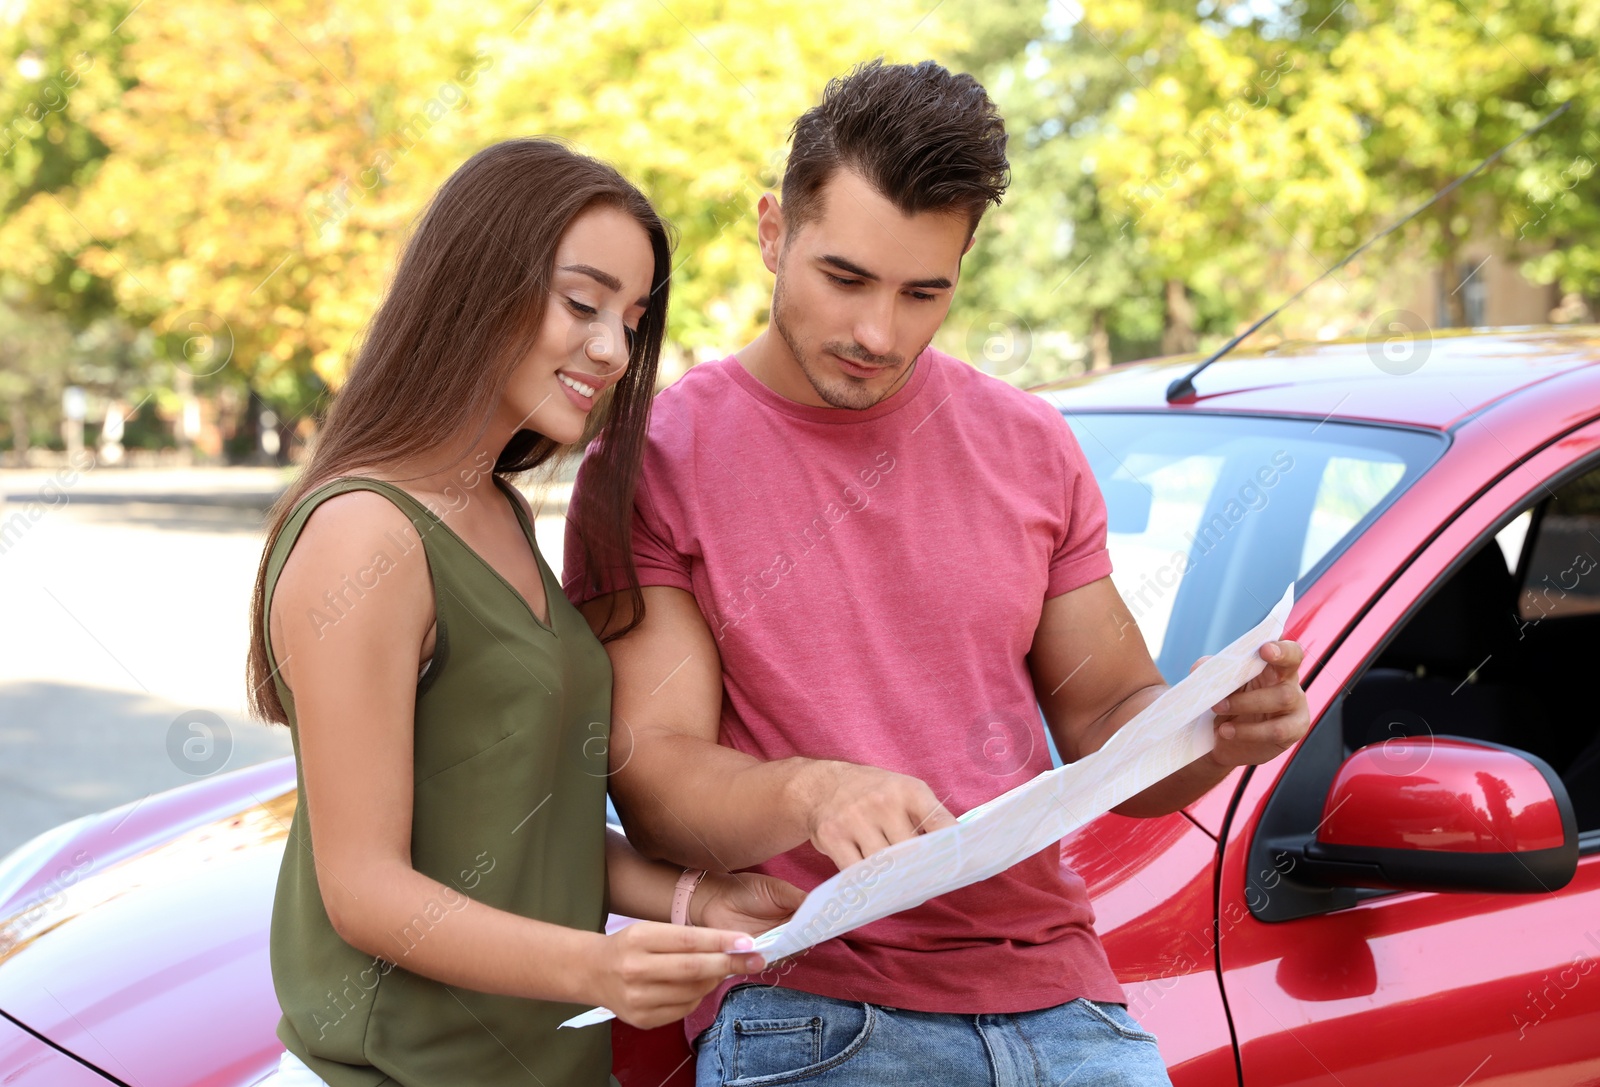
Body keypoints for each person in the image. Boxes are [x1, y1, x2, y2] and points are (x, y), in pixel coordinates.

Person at [561, 60, 1311, 1086]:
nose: (880, 333)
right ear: (772, 231)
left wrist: (1214, 729)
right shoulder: (655, 457)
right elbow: (655, 783)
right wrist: (814, 794)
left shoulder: (1028, 443)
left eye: (924, 293)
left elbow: (1108, 722)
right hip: (815, 1008)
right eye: (845, 278)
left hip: (1065, 1001)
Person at [246, 138, 801, 1087]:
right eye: (581, 304)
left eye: (631, 320)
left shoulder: (496, 512)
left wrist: (695, 898)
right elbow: (366, 893)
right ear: (474, 283)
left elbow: (517, 832)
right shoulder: (366, 536)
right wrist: (598, 967)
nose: (613, 349)